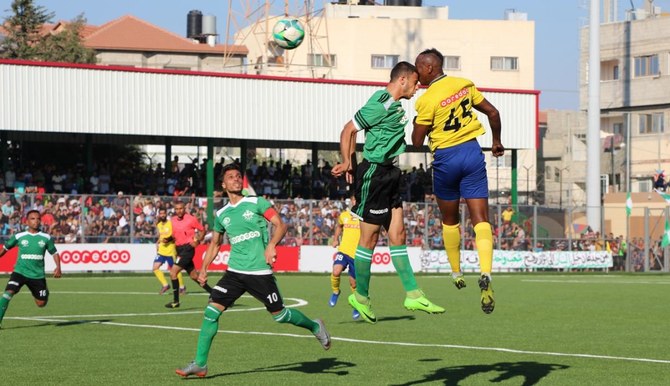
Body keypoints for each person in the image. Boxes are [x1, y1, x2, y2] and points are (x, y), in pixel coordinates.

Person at [176, 163, 330, 378]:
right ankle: (200, 364)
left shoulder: (257, 202)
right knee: (211, 312)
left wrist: (271, 245)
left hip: (259, 272)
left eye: (239, 176)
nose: (236, 179)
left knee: (280, 315)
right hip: (235, 273)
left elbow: (280, 225)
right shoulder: (222, 214)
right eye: (231, 177)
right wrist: (203, 269)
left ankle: (314, 326)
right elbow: (215, 244)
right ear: (223, 184)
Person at [331, 61, 444, 324]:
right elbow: (349, 130)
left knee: (398, 233)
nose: (418, 88)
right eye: (416, 83)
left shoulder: (395, 106)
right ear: (402, 80)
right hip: (375, 174)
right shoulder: (380, 102)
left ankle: (413, 293)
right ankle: (361, 297)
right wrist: (348, 162)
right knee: (368, 241)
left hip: (391, 173)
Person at [412, 48, 504, 314]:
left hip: (446, 159)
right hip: (472, 153)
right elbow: (493, 113)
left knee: (450, 220)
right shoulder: (464, 85)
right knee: (481, 220)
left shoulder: (427, 99)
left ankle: (456, 272)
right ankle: (486, 272)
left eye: (418, 68)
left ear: (429, 68)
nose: (417, 74)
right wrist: (496, 142)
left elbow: (417, 141)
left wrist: (418, 123)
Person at [0, 210, 62, 327]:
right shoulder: (19, 236)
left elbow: (54, 253)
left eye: (38, 219)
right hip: (20, 272)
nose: (36, 221)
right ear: (27, 221)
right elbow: (4, 249)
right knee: (8, 293)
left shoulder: (45, 237)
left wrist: (58, 267)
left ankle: (42, 292)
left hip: (37, 275)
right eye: (33, 219)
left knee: (41, 303)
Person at [165, 201, 212, 308]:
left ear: (184, 208)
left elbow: (202, 229)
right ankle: (214, 294)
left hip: (188, 249)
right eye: (176, 209)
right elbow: (174, 235)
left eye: (181, 208)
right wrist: (167, 239)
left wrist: (198, 240)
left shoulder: (191, 219)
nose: (179, 211)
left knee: (173, 273)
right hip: (179, 249)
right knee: (194, 276)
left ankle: (175, 301)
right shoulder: (172, 221)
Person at [329, 193, 361, 320]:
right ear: (352, 201)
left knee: (353, 284)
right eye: (354, 200)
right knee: (336, 271)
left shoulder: (365, 217)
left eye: (358, 200)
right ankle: (335, 291)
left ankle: (356, 304)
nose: (355, 202)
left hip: (357, 254)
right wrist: (336, 239)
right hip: (344, 251)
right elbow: (339, 226)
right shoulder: (344, 215)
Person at [153, 208, 185, 295]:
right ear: (159, 214)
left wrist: (168, 240)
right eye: (161, 213)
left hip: (171, 251)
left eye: (164, 213)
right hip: (161, 251)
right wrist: (158, 242)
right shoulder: (159, 224)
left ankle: (182, 287)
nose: (162, 215)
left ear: (166, 214)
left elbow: (174, 235)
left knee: (175, 270)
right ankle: (165, 285)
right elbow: (160, 236)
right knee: (155, 268)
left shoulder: (171, 223)